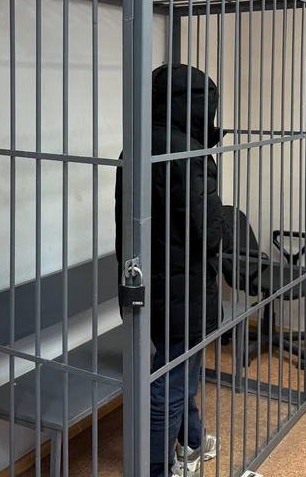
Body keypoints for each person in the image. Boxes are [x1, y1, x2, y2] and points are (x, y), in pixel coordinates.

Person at [115, 63, 230, 477]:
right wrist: (226, 219)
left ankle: (194, 441)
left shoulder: (136, 146)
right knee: (172, 381)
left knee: (176, 368)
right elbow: (210, 232)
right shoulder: (190, 154)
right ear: (196, 106)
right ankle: (156, 468)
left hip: (145, 281)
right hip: (186, 287)